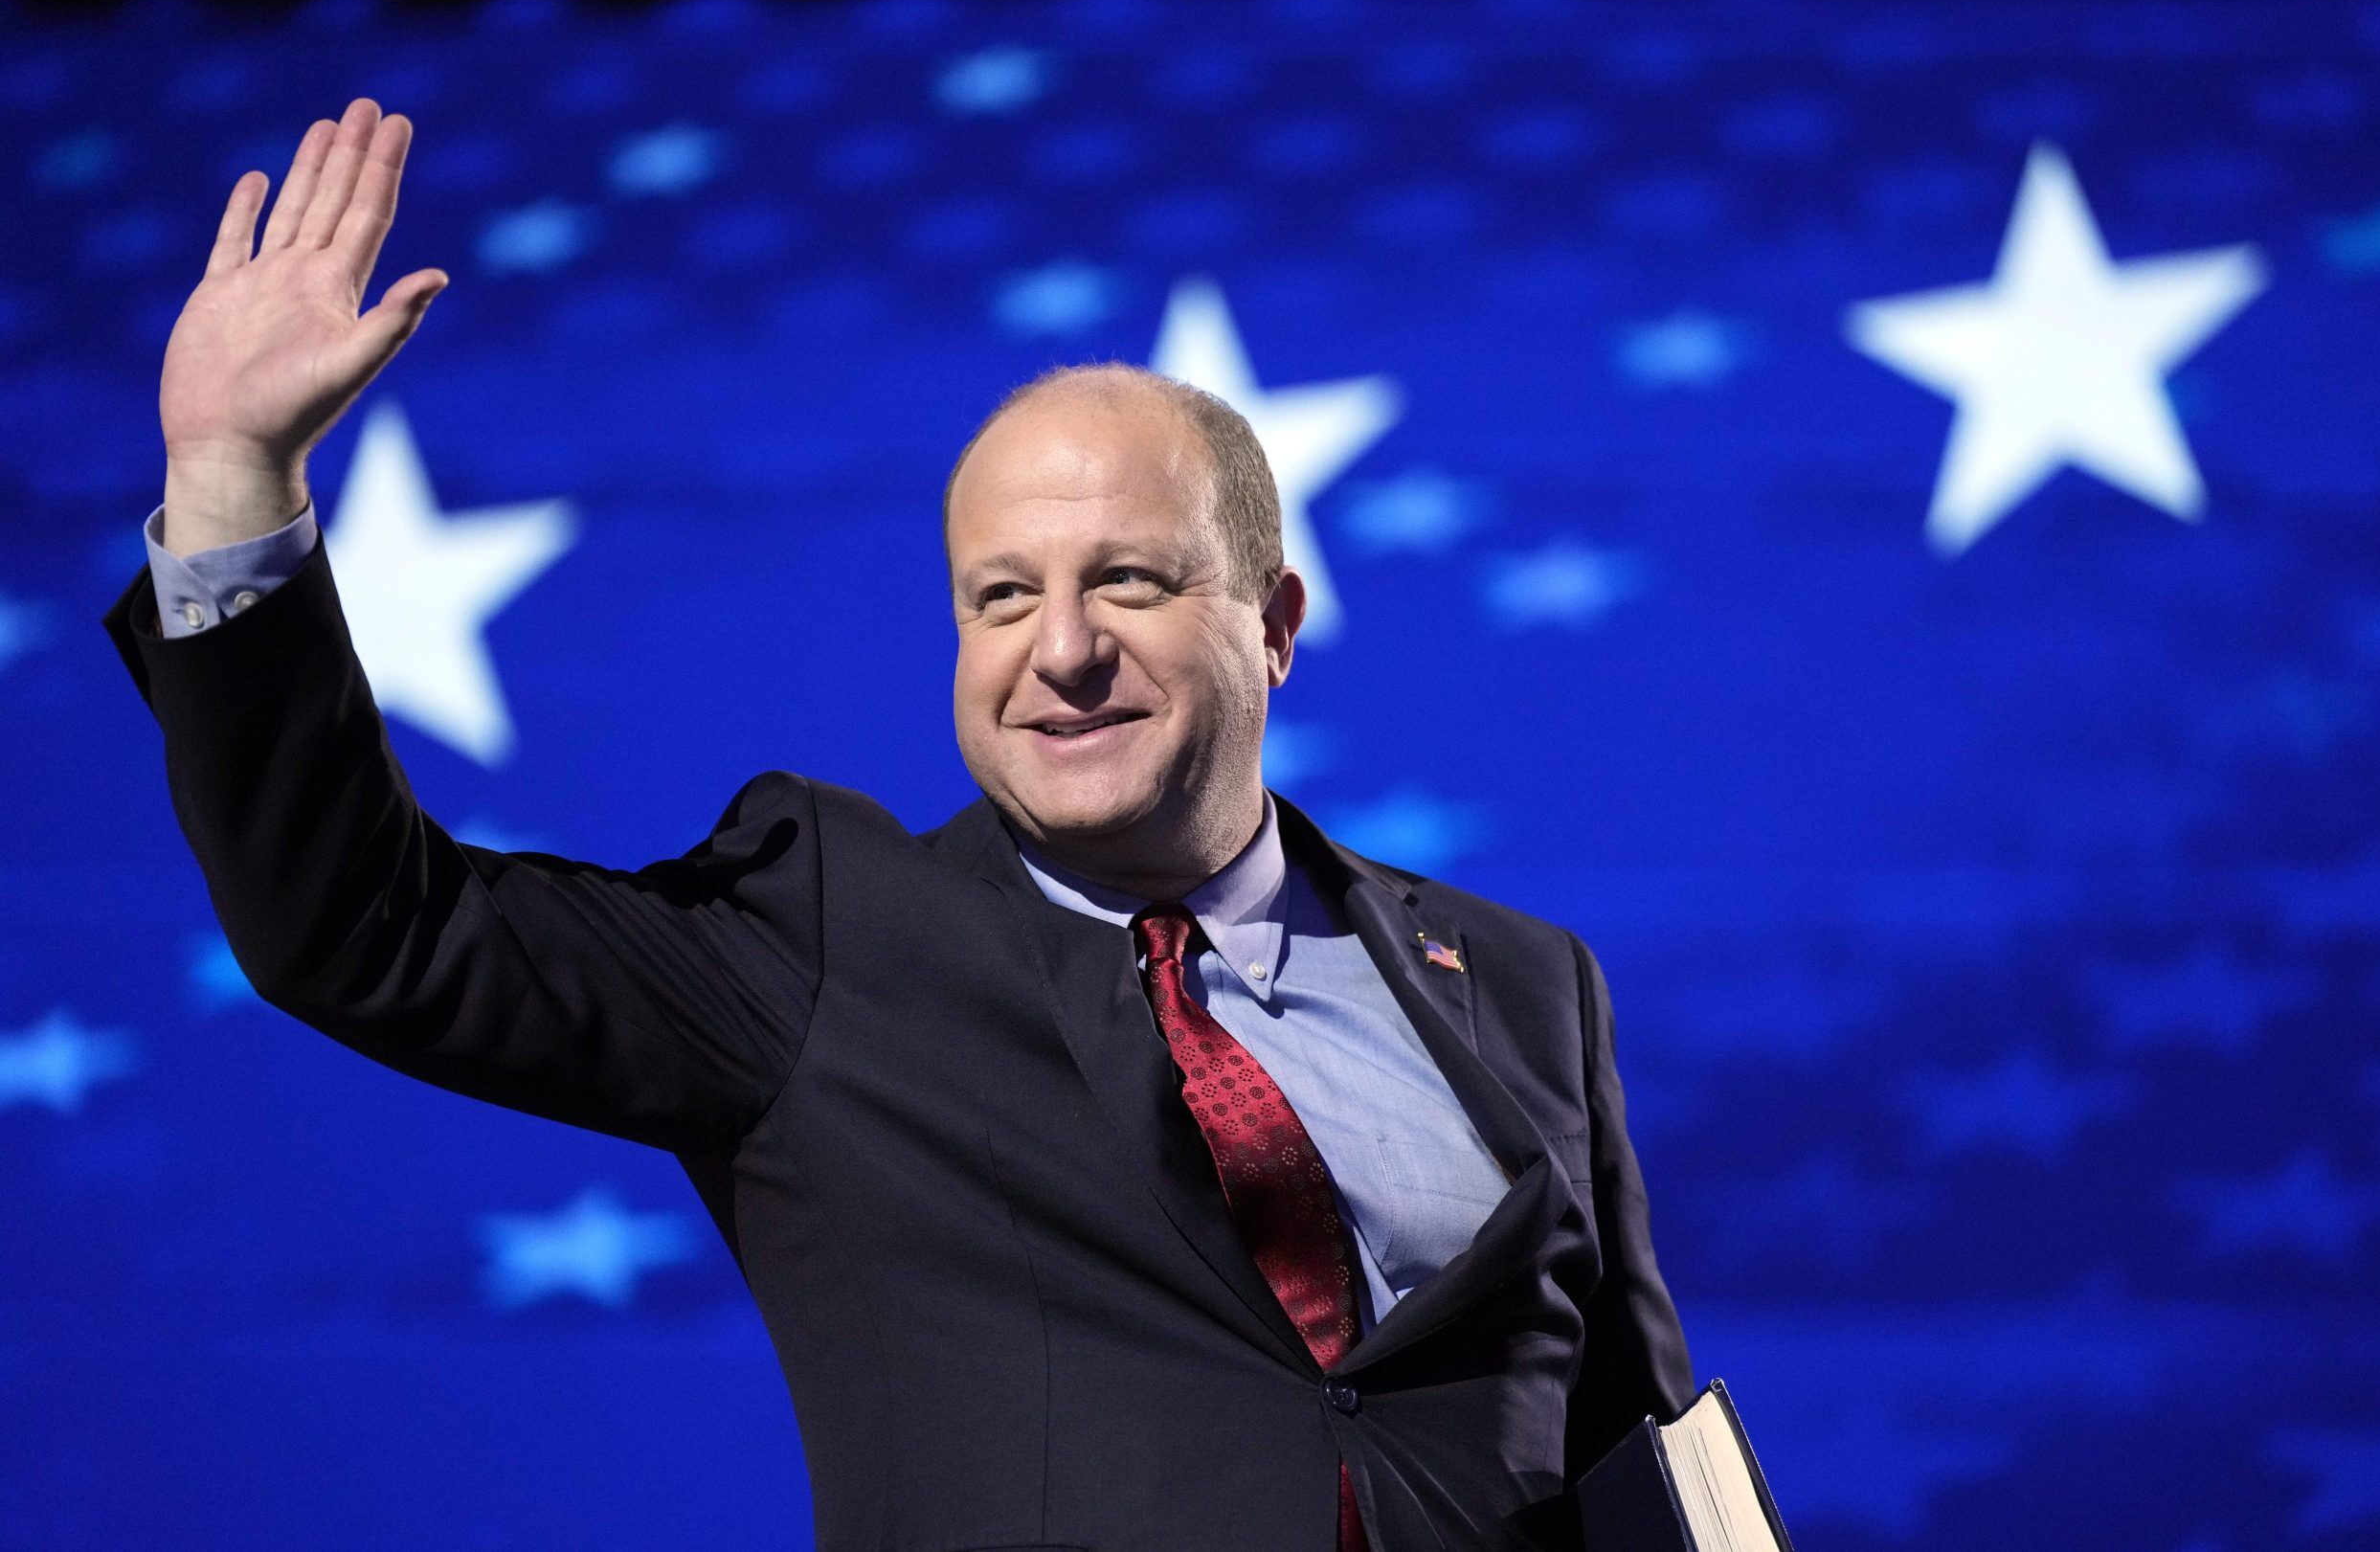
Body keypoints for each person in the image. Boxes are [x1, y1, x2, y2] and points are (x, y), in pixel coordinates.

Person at [107, 97, 1694, 1551]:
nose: (1059, 651)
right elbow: (369, 929)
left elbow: (1644, 1455)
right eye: (1001, 598)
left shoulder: (1525, 981)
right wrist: (236, 475)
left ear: (1272, 623)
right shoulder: (820, 945)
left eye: (1126, 582)